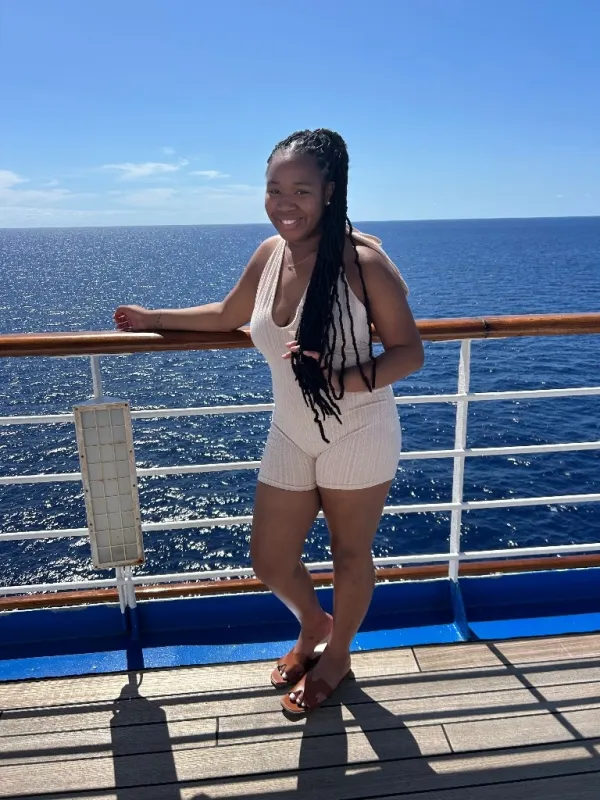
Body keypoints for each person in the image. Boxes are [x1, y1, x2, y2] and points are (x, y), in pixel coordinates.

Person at [114, 129, 424, 715]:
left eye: (301, 190)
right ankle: (314, 623)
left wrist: (341, 379)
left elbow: (409, 353)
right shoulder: (270, 253)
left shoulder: (362, 265)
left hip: (358, 428)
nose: (285, 203)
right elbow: (228, 314)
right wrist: (153, 317)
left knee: (349, 554)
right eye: (274, 189)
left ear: (330, 191)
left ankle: (337, 656)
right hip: (291, 429)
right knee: (270, 558)